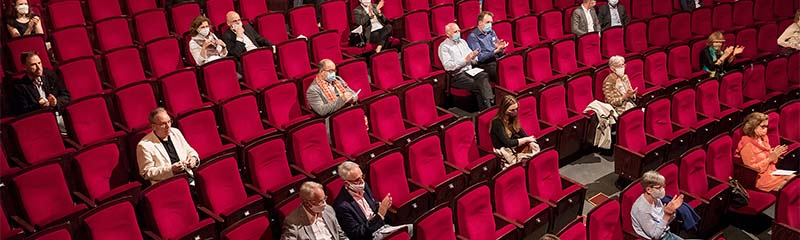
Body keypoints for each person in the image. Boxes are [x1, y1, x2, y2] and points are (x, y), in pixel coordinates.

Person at [332, 161, 413, 240]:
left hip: (382, 228)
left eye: (362, 176)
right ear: (347, 184)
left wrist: (383, 206)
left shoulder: (364, 186)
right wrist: (380, 214)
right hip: (370, 236)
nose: (362, 182)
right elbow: (357, 234)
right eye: (357, 180)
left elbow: (373, 206)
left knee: (412, 228)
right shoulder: (342, 206)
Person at [438, 22, 495, 110]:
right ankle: (488, 106)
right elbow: (448, 67)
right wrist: (465, 60)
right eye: (455, 32)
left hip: (470, 71)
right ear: (448, 34)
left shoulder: (462, 42)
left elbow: (473, 60)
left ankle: (487, 105)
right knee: (479, 85)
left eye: (458, 31)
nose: (458, 33)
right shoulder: (444, 47)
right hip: (457, 76)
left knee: (484, 75)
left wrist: (474, 57)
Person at [136, 107, 199, 184]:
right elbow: (146, 173)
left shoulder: (175, 132)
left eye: (169, 121)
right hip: (167, 183)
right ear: (153, 126)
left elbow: (189, 150)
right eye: (163, 124)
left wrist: (193, 159)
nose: (168, 126)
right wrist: (171, 169)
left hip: (188, 177)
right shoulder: (144, 146)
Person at [736, 112, 795, 192]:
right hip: (761, 179)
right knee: (790, 189)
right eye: (763, 127)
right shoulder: (747, 145)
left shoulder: (764, 138)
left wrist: (776, 154)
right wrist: (769, 159)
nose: (766, 129)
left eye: (766, 126)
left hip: (772, 172)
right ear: (753, 127)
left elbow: (772, 161)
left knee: (795, 180)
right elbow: (752, 170)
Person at [281, 181, 349, 240]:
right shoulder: (293, 222)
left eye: (324, 199)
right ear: (308, 203)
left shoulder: (328, 209)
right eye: (320, 201)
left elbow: (340, 235)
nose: (325, 204)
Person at [10, 52, 70, 117]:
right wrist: (39, 106)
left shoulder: (50, 75)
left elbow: (66, 96)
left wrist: (56, 102)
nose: (39, 68)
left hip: (58, 115)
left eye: (39, 63)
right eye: (33, 65)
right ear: (25, 67)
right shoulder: (20, 87)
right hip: (39, 119)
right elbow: (22, 111)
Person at [631, 171, 685, 240]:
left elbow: (665, 222)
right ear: (648, 189)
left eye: (663, 187)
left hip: (667, 234)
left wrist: (672, 211)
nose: (663, 190)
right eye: (659, 187)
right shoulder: (642, 210)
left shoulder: (656, 198)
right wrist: (667, 215)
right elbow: (655, 236)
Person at [490, 95, 540, 169]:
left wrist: (529, 141)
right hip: (503, 152)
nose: (515, 112)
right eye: (512, 110)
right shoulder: (497, 123)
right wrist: (526, 140)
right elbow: (507, 142)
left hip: (512, 148)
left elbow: (521, 132)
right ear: (504, 109)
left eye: (516, 109)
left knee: (534, 148)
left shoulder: (512, 118)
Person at [466, 11, 508, 85]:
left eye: (491, 22)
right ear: (480, 23)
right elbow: (480, 58)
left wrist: (501, 47)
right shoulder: (473, 37)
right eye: (488, 22)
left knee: (511, 65)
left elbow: (497, 46)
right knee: (502, 73)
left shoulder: (491, 32)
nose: (490, 25)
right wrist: (495, 51)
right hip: (485, 64)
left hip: (496, 59)